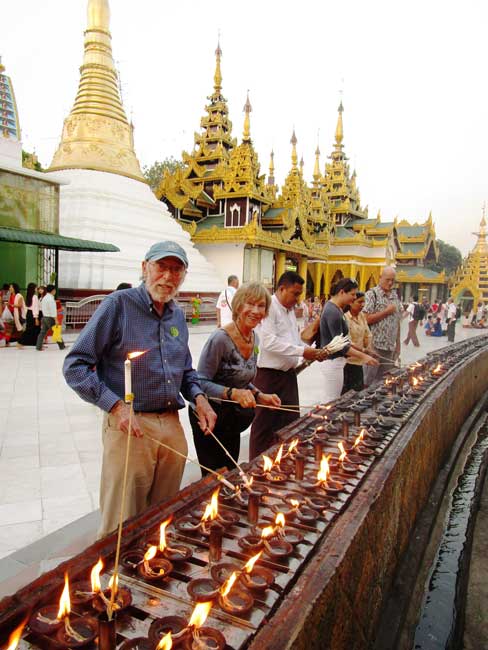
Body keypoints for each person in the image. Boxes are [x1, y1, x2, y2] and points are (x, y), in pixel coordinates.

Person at [63, 241, 217, 538]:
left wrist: (199, 398)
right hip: (130, 424)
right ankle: (113, 578)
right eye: (162, 267)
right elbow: (75, 365)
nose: (168, 276)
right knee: (121, 522)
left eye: (177, 269)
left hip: (171, 423)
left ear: (184, 275)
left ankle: (151, 572)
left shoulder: (177, 315)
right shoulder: (118, 305)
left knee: (163, 516)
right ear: (145, 267)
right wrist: (116, 406)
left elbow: (185, 370)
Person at [190, 282, 281, 474]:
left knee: (231, 471)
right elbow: (200, 382)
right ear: (239, 305)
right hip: (209, 415)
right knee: (215, 476)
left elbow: (240, 378)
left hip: (232, 416)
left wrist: (259, 395)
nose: (256, 311)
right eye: (250, 304)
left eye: (261, 305)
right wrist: (232, 394)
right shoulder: (220, 339)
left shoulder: (254, 338)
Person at [249, 271, 328, 459]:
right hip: (268, 377)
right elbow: (268, 342)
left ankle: (282, 462)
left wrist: (311, 351)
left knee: (289, 422)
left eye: (299, 294)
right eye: (294, 294)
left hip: (288, 377)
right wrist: (302, 351)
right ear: (282, 289)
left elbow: (294, 340)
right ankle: (256, 468)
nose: (297, 299)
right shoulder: (269, 307)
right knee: (264, 425)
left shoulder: (290, 311)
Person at [319, 280, 377, 401]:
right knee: (331, 400)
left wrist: (365, 352)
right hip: (332, 362)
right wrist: (364, 357)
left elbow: (345, 341)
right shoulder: (332, 311)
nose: (355, 297)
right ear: (341, 292)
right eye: (352, 294)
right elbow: (342, 346)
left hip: (337, 362)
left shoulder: (337, 309)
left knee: (335, 399)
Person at [363, 266, 402, 384]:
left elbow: (397, 321)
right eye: (387, 279)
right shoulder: (372, 295)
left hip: (390, 348)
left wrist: (398, 344)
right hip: (374, 347)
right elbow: (365, 319)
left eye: (393, 280)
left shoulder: (395, 297)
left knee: (385, 383)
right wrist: (386, 312)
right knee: (368, 382)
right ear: (380, 278)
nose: (390, 283)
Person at [343, 291, 375, 393]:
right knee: (347, 395)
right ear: (351, 303)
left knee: (358, 393)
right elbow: (347, 342)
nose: (362, 305)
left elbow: (368, 335)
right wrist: (363, 351)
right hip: (347, 363)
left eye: (364, 302)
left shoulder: (361, 316)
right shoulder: (344, 318)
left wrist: (369, 350)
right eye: (359, 302)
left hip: (359, 362)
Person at [36, 285, 66, 351]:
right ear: (53, 291)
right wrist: (56, 319)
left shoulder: (44, 298)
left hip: (44, 317)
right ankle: (62, 346)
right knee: (56, 332)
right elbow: (53, 310)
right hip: (50, 318)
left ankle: (38, 346)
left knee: (42, 333)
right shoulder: (51, 299)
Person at [17, 282, 40, 348]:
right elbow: (35, 307)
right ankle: (20, 342)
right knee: (30, 329)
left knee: (30, 329)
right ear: (33, 288)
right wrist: (36, 318)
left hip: (28, 313)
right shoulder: (35, 296)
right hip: (33, 314)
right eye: (36, 287)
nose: (36, 289)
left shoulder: (28, 296)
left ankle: (33, 342)